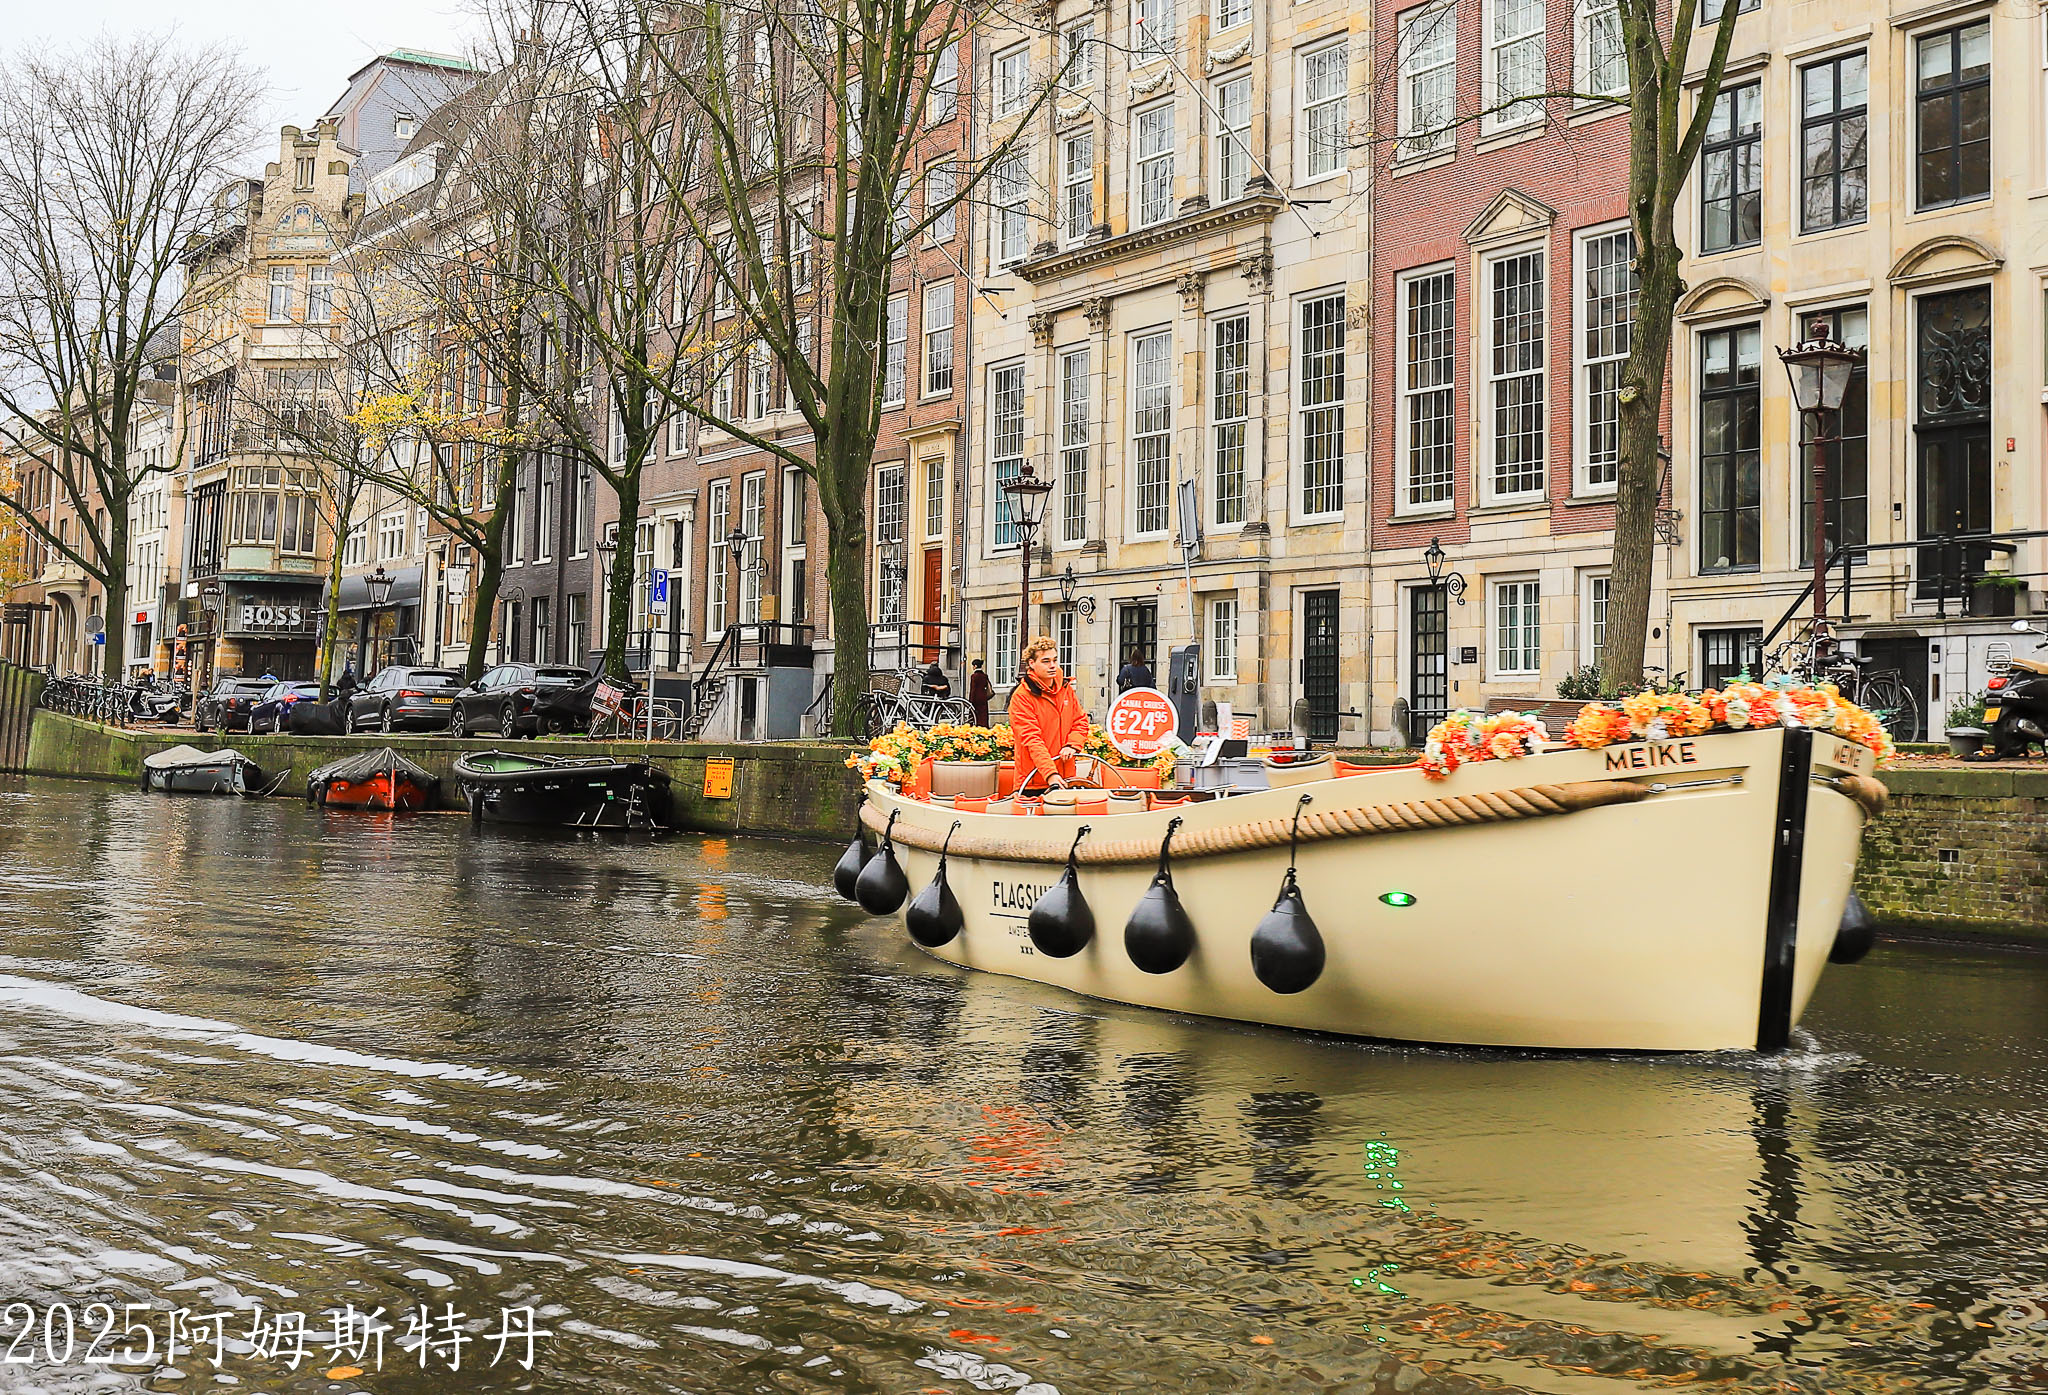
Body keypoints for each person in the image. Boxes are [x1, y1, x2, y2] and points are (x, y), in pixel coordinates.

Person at [1008, 635, 1090, 795]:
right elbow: (1031, 739)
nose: (1052, 665)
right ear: (1031, 663)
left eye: (1054, 660)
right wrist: (1051, 774)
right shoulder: (1022, 697)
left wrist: (1072, 745)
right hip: (1033, 781)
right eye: (1046, 661)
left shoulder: (1065, 689)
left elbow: (1080, 721)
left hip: (1065, 777)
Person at [967, 658, 992, 728]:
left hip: (976, 698)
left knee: (975, 714)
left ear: (975, 666)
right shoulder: (985, 676)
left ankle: (975, 727)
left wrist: (970, 700)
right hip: (983, 697)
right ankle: (984, 727)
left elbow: (973, 689)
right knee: (983, 715)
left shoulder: (974, 676)